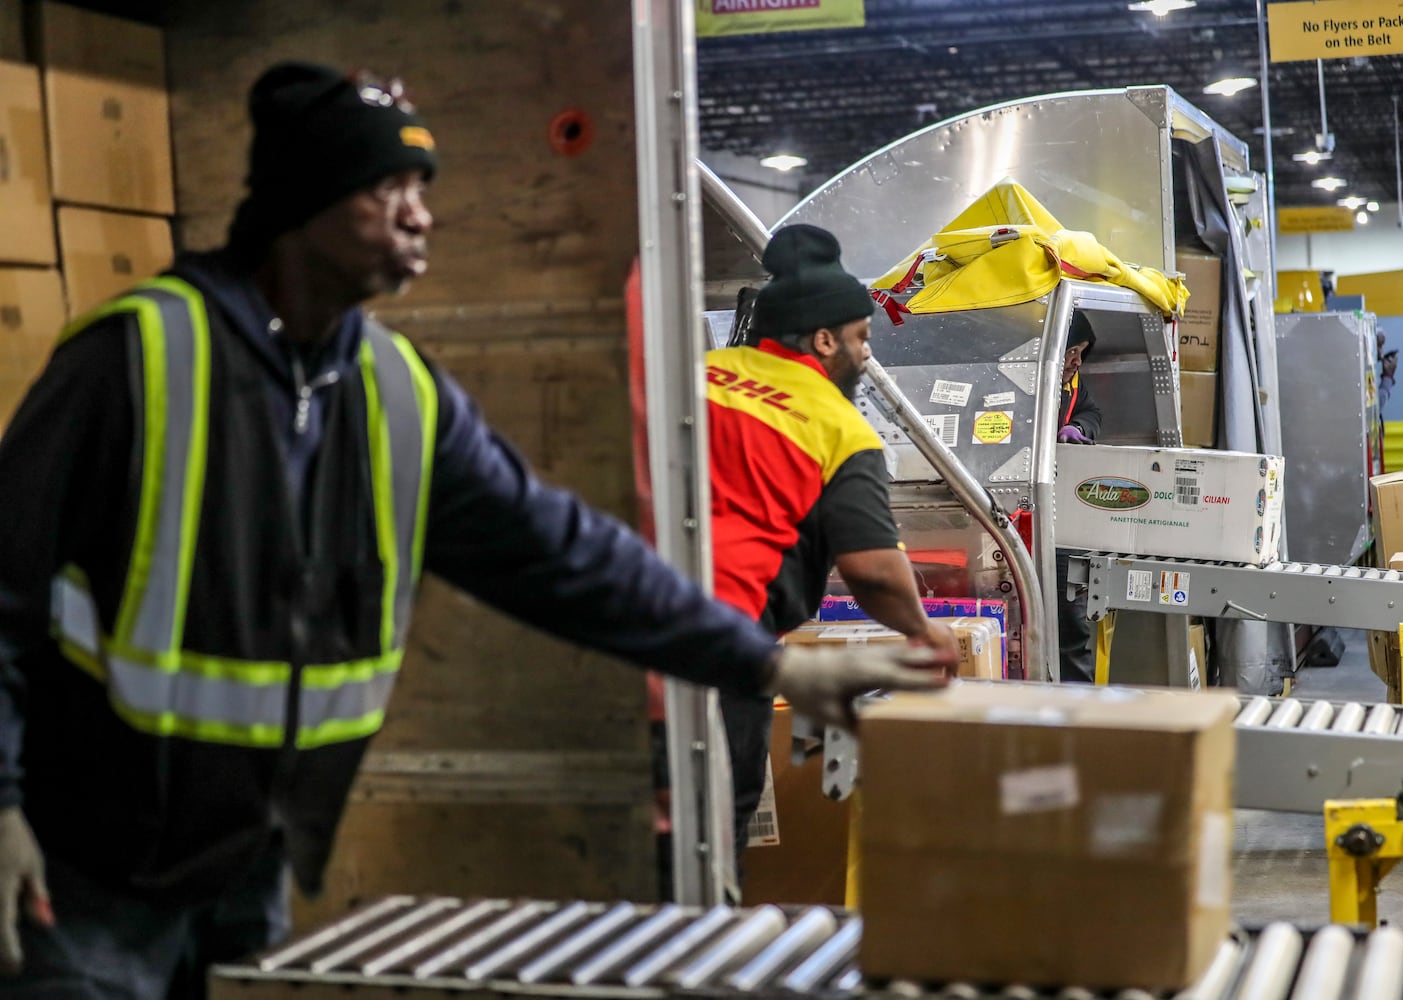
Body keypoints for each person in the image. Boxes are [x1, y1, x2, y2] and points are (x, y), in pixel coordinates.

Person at [0, 63, 945, 998]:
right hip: (86, 873)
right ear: (301, 203)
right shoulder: (138, 357)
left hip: (251, 867)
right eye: (384, 188)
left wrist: (771, 667)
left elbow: (568, 557)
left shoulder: (393, 393)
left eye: (422, 188)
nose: (418, 214)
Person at [706, 225, 960, 857]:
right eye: (862, 338)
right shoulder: (836, 424)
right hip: (724, 645)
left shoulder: (701, 374)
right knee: (714, 822)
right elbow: (872, 570)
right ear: (823, 340)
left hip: (622, 624)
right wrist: (925, 632)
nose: (866, 356)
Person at [1055, 312, 1101, 683]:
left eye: (1082, 352)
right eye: (1072, 351)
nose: (1076, 362)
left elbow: (1091, 411)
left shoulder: (1073, 385)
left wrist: (1078, 427)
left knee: (1071, 624)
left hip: (1061, 521)